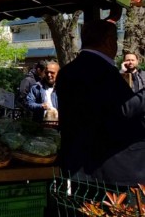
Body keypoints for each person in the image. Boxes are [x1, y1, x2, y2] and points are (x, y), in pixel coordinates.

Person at [56, 19, 145, 186]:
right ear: (109, 41)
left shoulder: (68, 71)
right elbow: (121, 110)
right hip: (113, 167)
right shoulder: (102, 71)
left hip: (80, 165)